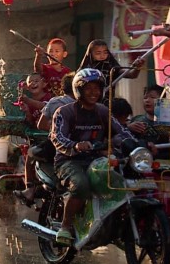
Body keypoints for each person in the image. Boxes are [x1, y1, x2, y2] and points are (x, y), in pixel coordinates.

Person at [50, 68, 136, 245]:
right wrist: (74, 145)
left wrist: (138, 144)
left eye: (97, 88)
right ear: (78, 90)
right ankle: (65, 227)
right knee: (81, 185)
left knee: (124, 179)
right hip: (69, 161)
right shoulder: (64, 112)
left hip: (96, 160)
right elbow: (56, 136)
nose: (93, 92)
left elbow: (121, 131)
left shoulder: (103, 111)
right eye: (88, 88)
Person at [13, 72, 75, 206]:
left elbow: (41, 122)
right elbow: (33, 120)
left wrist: (59, 129)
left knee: (30, 153)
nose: (34, 83)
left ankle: (29, 189)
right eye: (31, 81)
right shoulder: (92, 105)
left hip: (58, 146)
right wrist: (27, 110)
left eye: (37, 81)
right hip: (79, 148)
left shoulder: (55, 100)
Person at [77, 40, 144, 99]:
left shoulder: (111, 67)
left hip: (106, 103)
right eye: (98, 53)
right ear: (90, 54)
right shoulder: (84, 71)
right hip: (86, 103)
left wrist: (136, 67)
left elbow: (132, 74)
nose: (102, 55)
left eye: (105, 52)